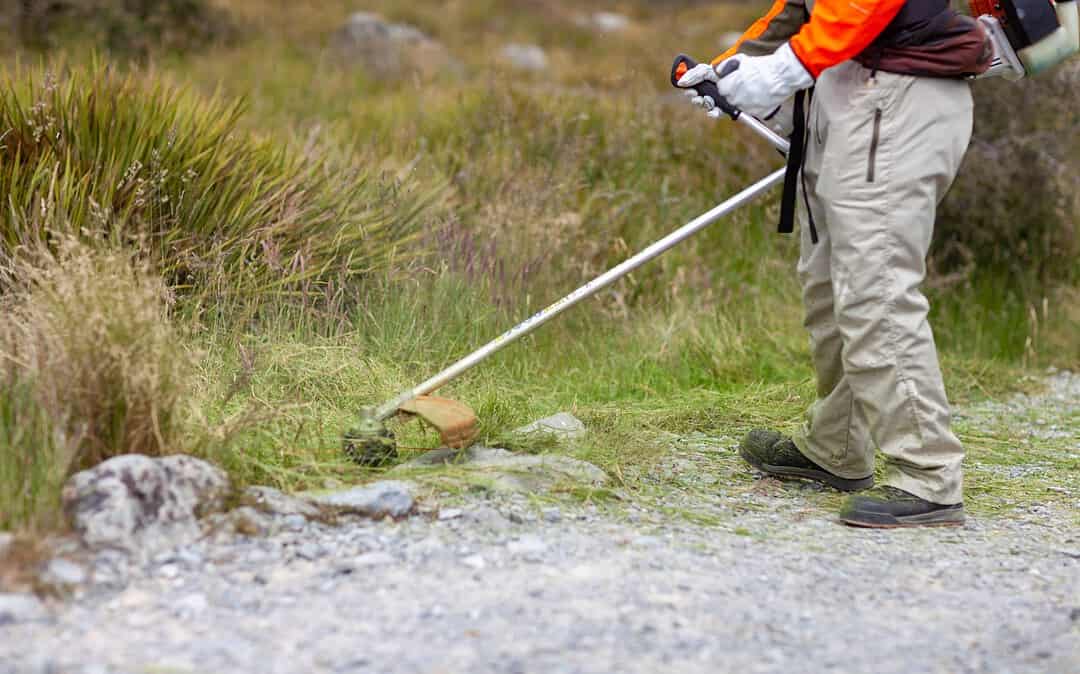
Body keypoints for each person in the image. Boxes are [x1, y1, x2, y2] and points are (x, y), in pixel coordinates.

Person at [678, 0, 992, 527]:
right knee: (826, 281)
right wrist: (732, 66)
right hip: (847, 88)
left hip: (896, 95)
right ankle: (837, 445)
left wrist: (780, 70)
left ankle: (927, 474)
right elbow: (800, 8)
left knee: (875, 288)